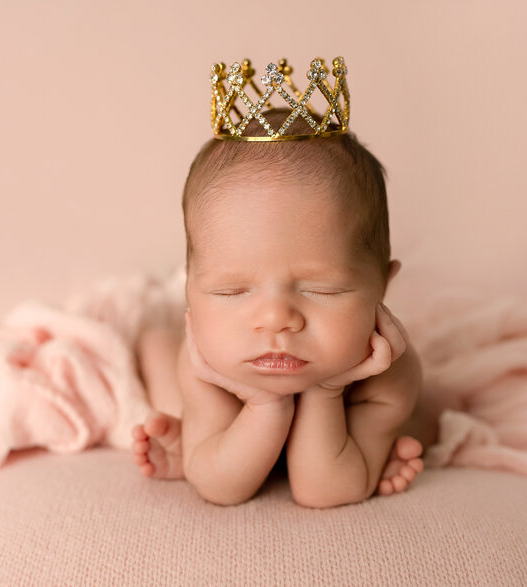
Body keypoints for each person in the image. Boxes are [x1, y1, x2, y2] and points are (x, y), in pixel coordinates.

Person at [131, 58, 424, 508]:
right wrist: (263, 404)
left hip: (352, 415)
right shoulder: (209, 364)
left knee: (429, 418)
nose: (276, 320)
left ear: (382, 288)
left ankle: (196, 444)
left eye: (321, 290)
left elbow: (325, 490)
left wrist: (327, 392)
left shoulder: (387, 374)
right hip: (218, 385)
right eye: (231, 291)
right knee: (156, 348)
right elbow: (220, 488)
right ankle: (189, 435)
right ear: (191, 287)